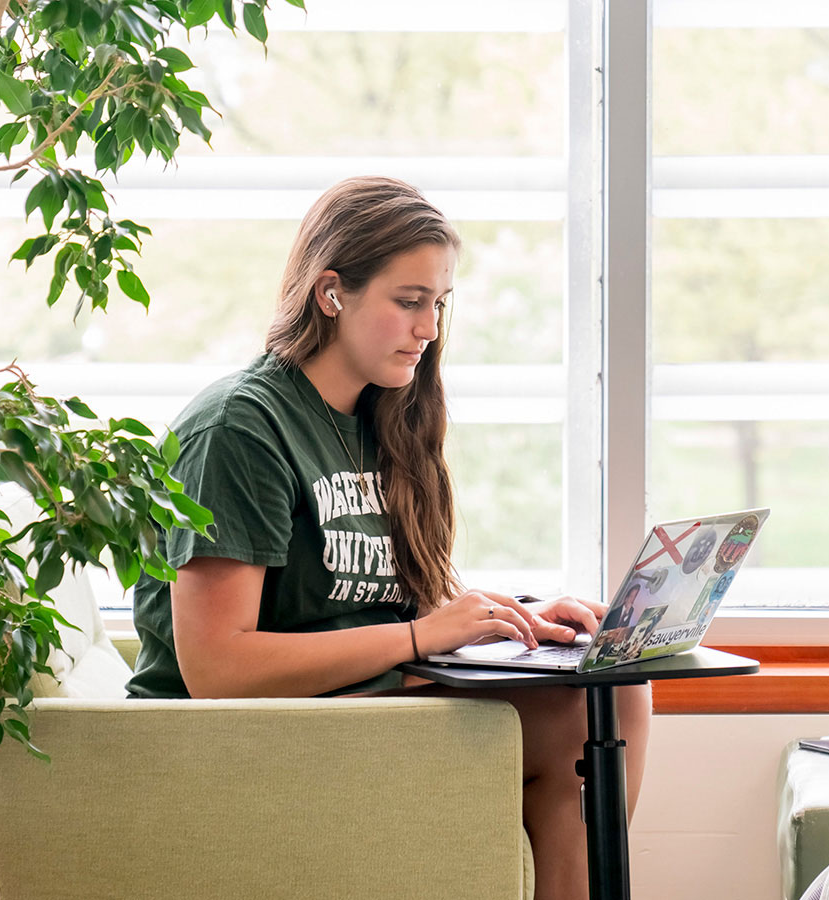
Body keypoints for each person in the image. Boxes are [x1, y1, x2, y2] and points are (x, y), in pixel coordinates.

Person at [125, 175, 654, 900]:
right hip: (238, 737)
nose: (429, 328)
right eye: (409, 302)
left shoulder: (380, 421)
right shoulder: (239, 430)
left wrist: (505, 620)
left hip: (349, 703)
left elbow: (370, 599)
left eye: (438, 304)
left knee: (616, 691)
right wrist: (422, 639)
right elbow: (219, 669)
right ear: (331, 292)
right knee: (580, 716)